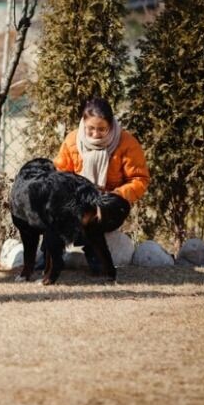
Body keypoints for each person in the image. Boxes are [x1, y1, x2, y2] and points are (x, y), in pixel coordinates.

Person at [52, 97, 150, 273]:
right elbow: (60, 175)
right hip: (79, 199)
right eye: (91, 129)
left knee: (103, 210)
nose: (96, 134)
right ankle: (50, 256)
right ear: (83, 122)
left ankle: (94, 252)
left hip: (110, 201)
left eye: (102, 129)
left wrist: (117, 194)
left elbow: (139, 179)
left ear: (111, 125)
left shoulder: (127, 143)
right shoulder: (72, 140)